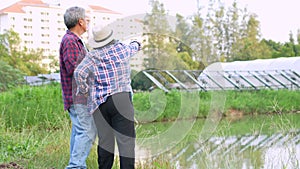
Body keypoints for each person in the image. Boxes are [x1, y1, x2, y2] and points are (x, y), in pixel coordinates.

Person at [74, 25, 141, 169]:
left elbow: (79, 73)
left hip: (100, 103)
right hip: (122, 99)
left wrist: (84, 90)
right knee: (126, 143)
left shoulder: (92, 56)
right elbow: (135, 46)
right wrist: (137, 43)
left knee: (105, 142)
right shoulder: (122, 49)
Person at [59, 6, 96, 169]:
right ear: (80, 22)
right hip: (78, 96)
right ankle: (75, 166)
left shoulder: (74, 40)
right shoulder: (71, 41)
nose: (88, 22)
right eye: (87, 20)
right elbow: (75, 70)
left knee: (79, 130)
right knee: (87, 130)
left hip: (78, 95)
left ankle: (76, 165)